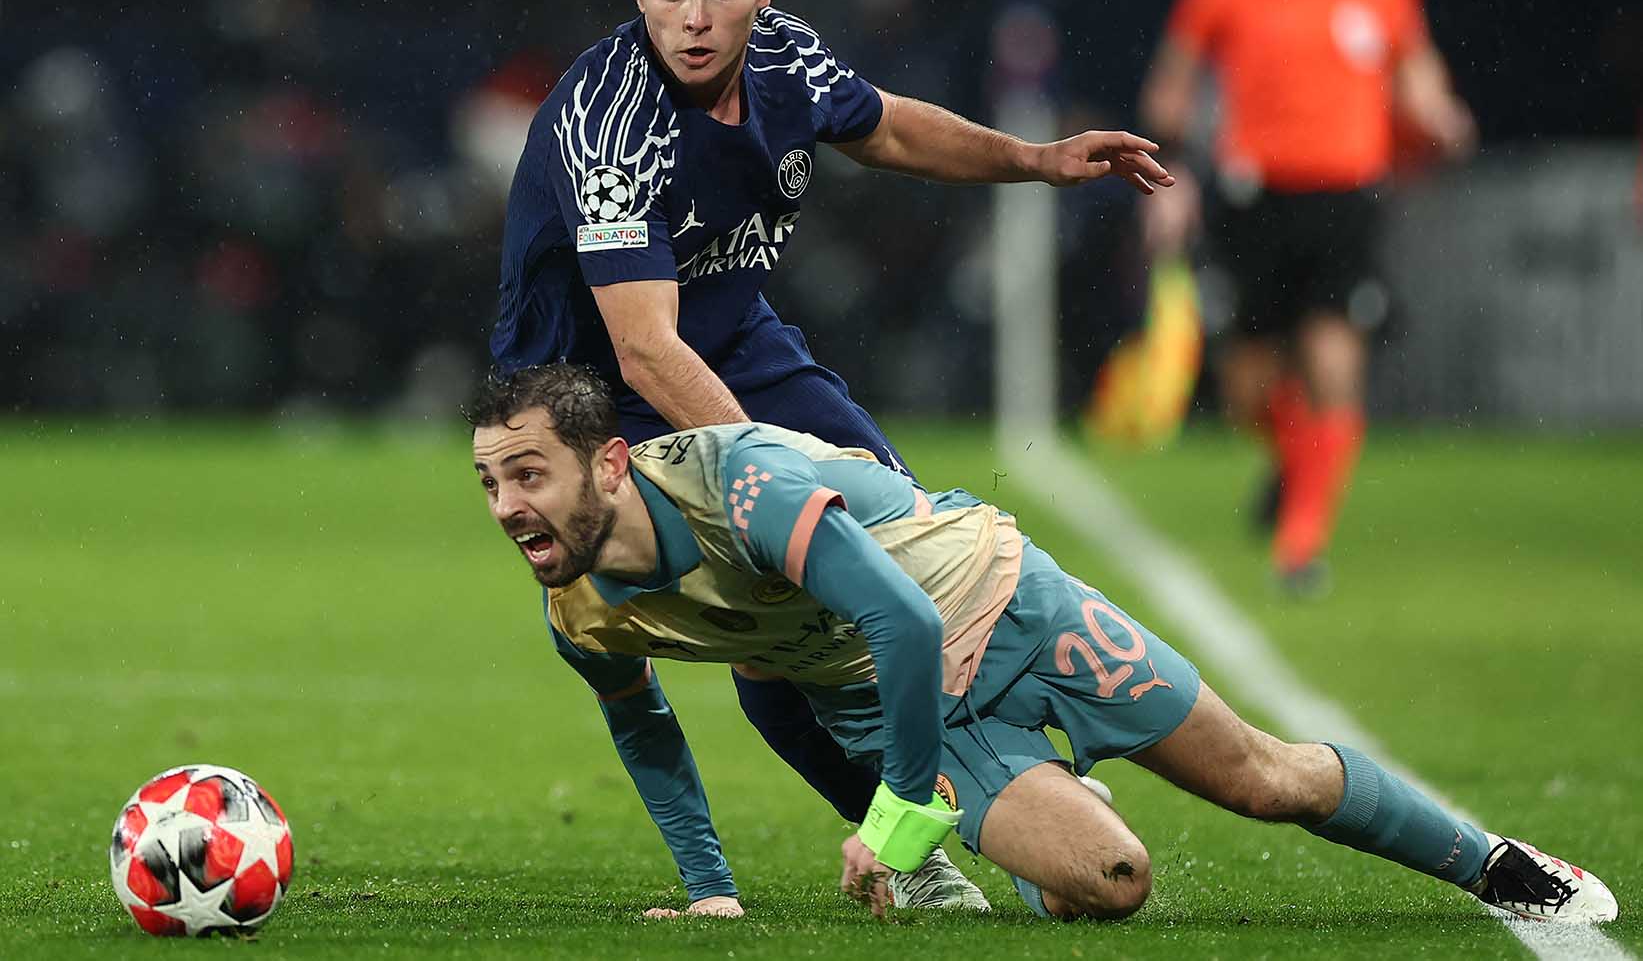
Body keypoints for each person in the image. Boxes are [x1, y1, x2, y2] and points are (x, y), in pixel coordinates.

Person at [489, 0, 1173, 915]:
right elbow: (642, 351)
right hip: (593, 398)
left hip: (738, 340)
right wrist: (770, 494)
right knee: (781, 633)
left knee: (904, 564)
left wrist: (1033, 160)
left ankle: (1001, 790)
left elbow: (886, 126)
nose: (692, 18)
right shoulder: (612, 122)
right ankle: (917, 847)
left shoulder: (785, 53)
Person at [466, 363, 1618, 924]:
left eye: (529, 474)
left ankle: (1497, 866)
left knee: (1262, 781)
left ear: (607, 463)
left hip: (1009, 603)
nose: (508, 505)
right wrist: (710, 888)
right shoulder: (579, 609)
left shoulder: (740, 482)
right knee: (1111, 884)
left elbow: (902, 618)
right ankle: (1042, 826)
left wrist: (895, 819)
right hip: (908, 706)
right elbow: (643, 726)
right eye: (488, 481)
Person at [1138, 0, 1475, 591]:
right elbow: (1170, 88)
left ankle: (1299, 543)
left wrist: (1439, 112)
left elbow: (1414, 72)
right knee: (1247, 390)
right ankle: (1296, 461)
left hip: (1345, 197)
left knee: (1332, 360)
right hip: (1249, 197)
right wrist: (1166, 175)